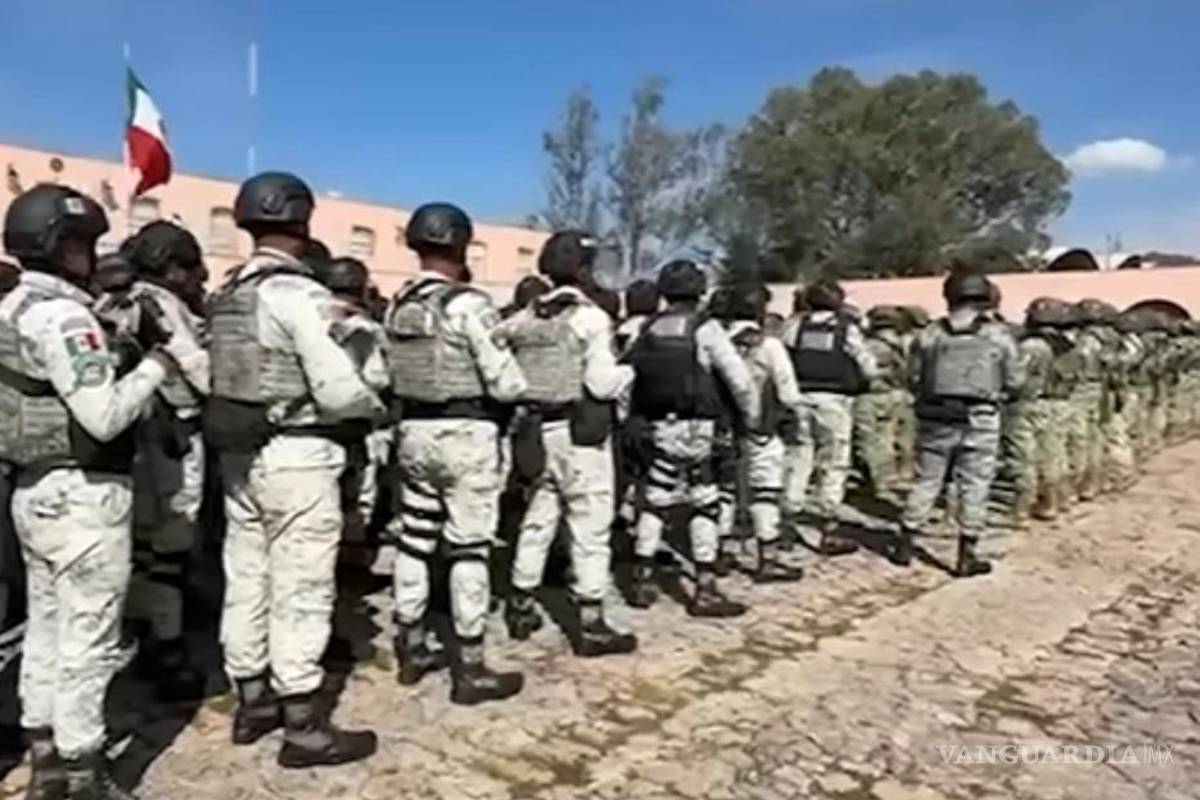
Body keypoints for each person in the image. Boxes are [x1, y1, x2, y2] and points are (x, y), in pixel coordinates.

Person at [0, 184, 180, 799]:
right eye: (84, 244)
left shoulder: (11, 307)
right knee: (89, 637)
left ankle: (44, 753)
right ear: (63, 246)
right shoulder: (66, 317)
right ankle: (84, 770)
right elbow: (104, 416)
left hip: (32, 488)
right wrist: (156, 364)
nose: (92, 256)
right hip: (84, 495)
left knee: (46, 627)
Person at [206, 172, 382, 768]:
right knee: (302, 585)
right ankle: (303, 724)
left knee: (247, 576)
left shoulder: (229, 293)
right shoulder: (300, 296)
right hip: (298, 454)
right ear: (302, 222)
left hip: (241, 456)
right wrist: (372, 405)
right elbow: (336, 389)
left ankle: (252, 701)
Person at [384, 202, 526, 704]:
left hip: (413, 430)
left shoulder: (399, 303)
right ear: (461, 245)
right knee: (469, 547)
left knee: (415, 538)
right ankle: (470, 666)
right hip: (466, 434)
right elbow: (506, 383)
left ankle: (410, 643)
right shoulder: (470, 305)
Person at [500, 231, 638, 656]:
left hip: (534, 432)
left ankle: (521, 603)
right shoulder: (590, 318)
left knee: (539, 517)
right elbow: (600, 384)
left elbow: (497, 345)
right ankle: (591, 622)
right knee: (590, 528)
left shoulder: (525, 317)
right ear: (582, 270)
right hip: (580, 434)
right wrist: (629, 370)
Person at [95, 220, 212, 702]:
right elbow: (198, 370)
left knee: (141, 547)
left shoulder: (111, 301)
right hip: (170, 439)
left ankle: (143, 631)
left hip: (131, 441)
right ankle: (166, 649)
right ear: (171, 267)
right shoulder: (159, 304)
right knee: (169, 549)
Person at [625, 260, 759, 617]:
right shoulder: (705, 328)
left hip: (655, 424)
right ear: (699, 292)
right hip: (697, 426)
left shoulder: (647, 327)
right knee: (704, 500)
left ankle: (641, 576)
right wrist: (750, 418)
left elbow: (628, 374)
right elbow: (739, 380)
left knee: (656, 498)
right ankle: (705, 587)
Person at [894, 270, 1023, 577]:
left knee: (927, 480)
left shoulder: (929, 334)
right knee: (976, 483)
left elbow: (913, 376)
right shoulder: (998, 335)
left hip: (935, 417)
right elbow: (1016, 380)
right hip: (981, 417)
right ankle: (967, 554)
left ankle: (905, 543)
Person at [781, 280, 875, 555]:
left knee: (798, 459)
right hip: (834, 402)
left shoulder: (795, 326)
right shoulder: (846, 328)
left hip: (799, 399)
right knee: (833, 462)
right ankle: (828, 527)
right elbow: (868, 366)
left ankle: (787, 523)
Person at [722, 283, 804, 582]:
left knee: (725, 489)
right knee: (765, 490)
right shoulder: (769, 346)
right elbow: (788, 391)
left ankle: (721, 550)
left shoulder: (716, 342)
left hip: (724, 426)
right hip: (762, 427)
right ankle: (766, 556)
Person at [314, 256, 391, 562]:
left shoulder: (310, 316)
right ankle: (351, 558)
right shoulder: (366, 328)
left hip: (310, 424)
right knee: (357, 496)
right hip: (355, 422)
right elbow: (378, 377)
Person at [1009, 298, 1076, 524]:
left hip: (1030, 405)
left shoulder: (1032, 346)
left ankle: (1021, 510)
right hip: (1060, 403)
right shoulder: (1069, 345)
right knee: (1054, 455)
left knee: (1023, 458)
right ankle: (1054, 502)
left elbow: (1016, 379)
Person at [854, 305, 908, 500]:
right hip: (895, 395)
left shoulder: (867, 345)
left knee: (868, 441)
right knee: (887, 439)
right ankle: (889, 477)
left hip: (869, 395)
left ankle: (877, 481)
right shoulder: (901, 344)